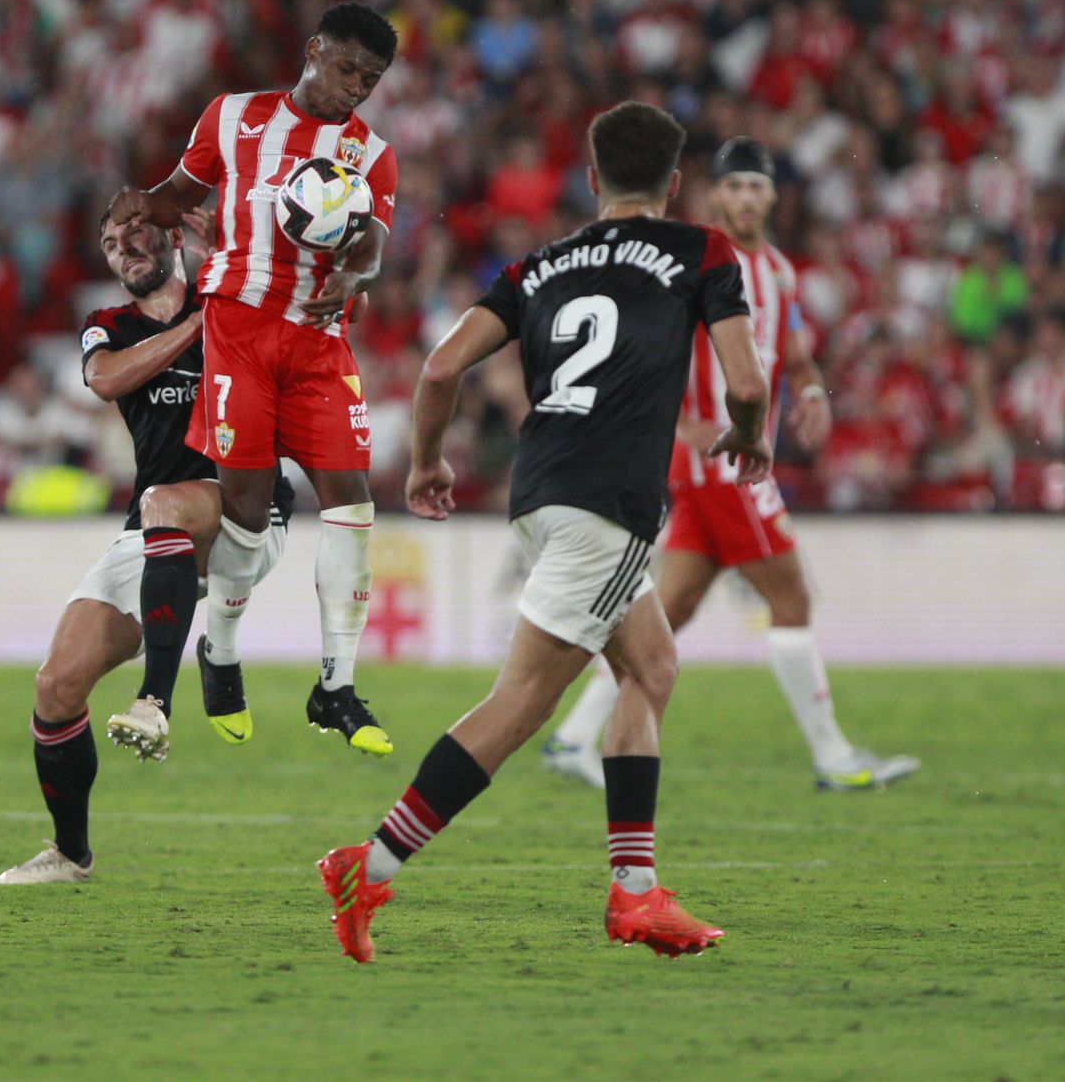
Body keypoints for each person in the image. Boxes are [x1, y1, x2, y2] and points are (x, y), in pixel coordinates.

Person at [317, 101, 772, 962]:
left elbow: (444, 363)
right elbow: (745, 385)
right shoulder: (700, 248)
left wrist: (424, 464)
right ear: (676, 186)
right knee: (523, 700)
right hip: (609, 502)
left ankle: (636, 892)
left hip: (541, 488)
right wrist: (750, 439)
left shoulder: (538, 263)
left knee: (652, 665)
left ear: (593, 180)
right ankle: (366, 864)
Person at [543, 138, 921, 792]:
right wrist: (675, 422)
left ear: (774, 196)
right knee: (792, 597)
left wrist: (808, 392)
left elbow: (793, 351)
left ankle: (572, 738)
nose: (746, 198)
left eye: (758, 186)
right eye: (735, 186)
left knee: (667, 614)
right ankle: (834, 758)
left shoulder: (776, 269)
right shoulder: (690, 260)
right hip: (724, 463)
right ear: (715, 193)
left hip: (722, 466)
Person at [107, 1, 400, 759]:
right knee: (245, 510)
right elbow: (180, 193)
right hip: (236, 329)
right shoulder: (233, 117)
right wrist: (150, 202)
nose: (356, 88)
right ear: (313, 50)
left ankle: (335, 682)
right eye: (347, 69)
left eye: (370, 79)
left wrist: (354, 277)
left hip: (318, 340)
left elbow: (371, 244)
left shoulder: (371, 154)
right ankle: (221, 652)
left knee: (353, 505)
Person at [0, 213, 292, 885]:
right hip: (155, 528)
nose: (123, 251)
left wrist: (227, 276)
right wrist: (196, 326)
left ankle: (155, 701)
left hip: (246, 507)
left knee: (166, 500)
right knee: (56, 686)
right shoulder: (110, 325)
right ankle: (72, 855)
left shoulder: (231, 299)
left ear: (173, 241)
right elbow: (103, 380)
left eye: (135, 236)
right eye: (109, 243)